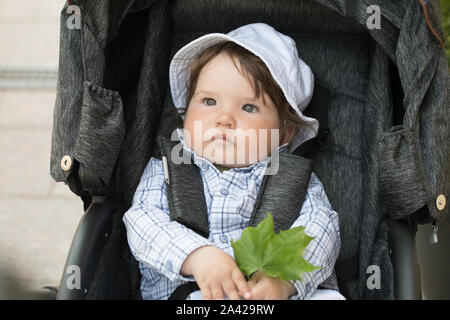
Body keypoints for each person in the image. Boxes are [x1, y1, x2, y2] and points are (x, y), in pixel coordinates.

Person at [123, 23, 343, 300]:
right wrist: (196, 256)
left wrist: (284, 280)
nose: (224, 118)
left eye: (248, 107)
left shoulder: (291, 179)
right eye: (209, 101)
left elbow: (321, 228)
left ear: (284, 132)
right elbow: (143, 221)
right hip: (192, 293)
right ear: (185, 113)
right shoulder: (168, 168)